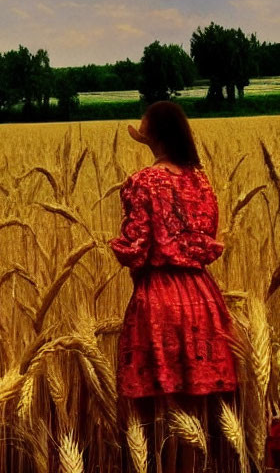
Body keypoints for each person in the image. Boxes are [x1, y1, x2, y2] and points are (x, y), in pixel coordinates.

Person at [111, 101, 238, 470]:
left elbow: (135, 248)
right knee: (201, 405)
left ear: (151, 136)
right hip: (203, 296)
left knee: (158, 413)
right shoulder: (200, 179)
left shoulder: (143, 181)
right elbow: (207, 236)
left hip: (159, 299)